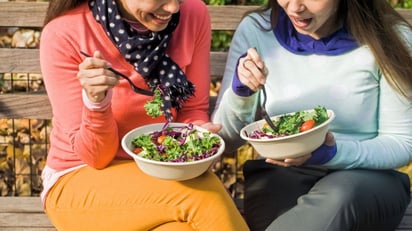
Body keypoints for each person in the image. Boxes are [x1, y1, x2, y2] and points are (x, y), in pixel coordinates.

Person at [39, 0, 250, 230]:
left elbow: (191, 109)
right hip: (80, 180)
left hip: (160, 176)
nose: (174, 8)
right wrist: (96, 103)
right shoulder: (64, 33)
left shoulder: (192, 14)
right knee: (205, 194)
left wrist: (195, 136)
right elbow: (96, 158)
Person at [212, 0, 412, 230]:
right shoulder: (257, 29)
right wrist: (241, 93)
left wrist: (332, 153)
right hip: (281, 175)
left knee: (339, 196)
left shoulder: (389, 36)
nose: (295, 7)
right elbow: (227, 140)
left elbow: (402, 142)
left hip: (365, 180)